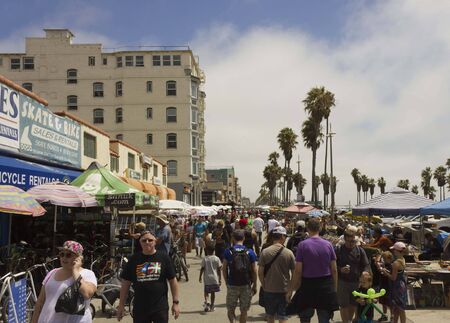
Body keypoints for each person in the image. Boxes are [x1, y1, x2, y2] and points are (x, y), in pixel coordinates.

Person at [117, 231, 180, 322]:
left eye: (150, 240)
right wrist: (121, 305)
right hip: (140, 308)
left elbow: (173, 281)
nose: (147, 242)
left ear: (155, 242)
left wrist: (176, 303)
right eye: (144, 240)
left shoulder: (164, 257)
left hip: (160, 307)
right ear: (140, 242)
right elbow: (125, 284)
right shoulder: (134, 259)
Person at [287, 218, 338, 323]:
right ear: (319, 228)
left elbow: (298, 271)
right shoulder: (328, 245)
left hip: (307, 286)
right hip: (325, 285)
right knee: (324, 319)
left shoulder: (303, 245)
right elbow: (334, 269)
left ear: (307, 228)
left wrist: (290, 290)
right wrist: (335, 288)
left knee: (305, 318)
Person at [31, 241, 97, 323]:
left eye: (69, 255)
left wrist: (75, 271)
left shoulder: (87, 274)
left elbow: (87, 293)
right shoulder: (52, 273)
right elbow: (40, 302)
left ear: (79, 258)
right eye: (62, 254)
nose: (64, 258)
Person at [258, 226, 295, 323]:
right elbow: (294, 273)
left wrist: (264, 284)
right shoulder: (289, 253)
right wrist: (291, 290)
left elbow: (260, 272)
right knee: (282, 317)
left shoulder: (265, 252)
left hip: (269, 289)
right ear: (282, 237)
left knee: (270, 316)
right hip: (284, 289)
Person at [223, 229, 258, 323]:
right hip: (246, 284)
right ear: (244, 238)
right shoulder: (250, 252)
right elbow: (254, 270)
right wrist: (255, 285)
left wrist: (226, 281)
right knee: (244, 310)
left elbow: (224, 268)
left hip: (232, 283)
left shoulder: (228, 251)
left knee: (230, 309)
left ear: (233, 238)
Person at [335, 229, 370, 323]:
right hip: (342, 282)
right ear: (344, 240)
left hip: (356, 282)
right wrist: (340, 269)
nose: (352, 243)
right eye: (350, 241)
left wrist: (365, 272)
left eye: (353, 241)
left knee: (353, 304)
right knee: (343, 305)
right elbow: (332, 266)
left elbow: (366, 265)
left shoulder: (360, 250)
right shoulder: (338, 250)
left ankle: (349, 320)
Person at [381, 242, 407, 323]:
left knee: (400, 308)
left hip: (397, 286)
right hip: (401, 284)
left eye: (394, 250)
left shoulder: (396, 263)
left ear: (396, 251)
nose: (393, 252)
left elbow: (393, 278)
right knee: (397, 307)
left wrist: (386, 273)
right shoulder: (402, 260)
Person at [199, 245, 222, 312]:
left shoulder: (205, 259)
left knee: (206, 292)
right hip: (214, 278)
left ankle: (207, 301)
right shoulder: (216, 258)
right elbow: (219, 269)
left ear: (207, 251)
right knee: (213, 293)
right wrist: (220, 278)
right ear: (214, 251)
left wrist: (200, 277)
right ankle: (212, 306)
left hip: (207, 278)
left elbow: (202, 268)